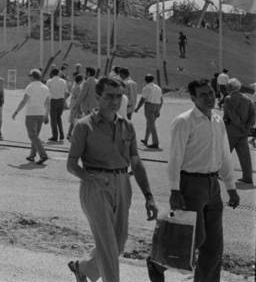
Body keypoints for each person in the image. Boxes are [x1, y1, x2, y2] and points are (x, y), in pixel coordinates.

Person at [147, 78, 240, 282]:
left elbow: (224, 155)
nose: (209, 98)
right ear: (193, 98)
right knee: (191, 239)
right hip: (190, 184)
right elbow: (175, 158)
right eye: (203, 95)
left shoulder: (217, 121)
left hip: (212, 185)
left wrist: (231, 187)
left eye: (211, 93)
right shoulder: (184, 121)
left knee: (214, 245)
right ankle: (157, 264)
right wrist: (174, 190)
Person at [67, 77, 158, 282]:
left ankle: (84, 267)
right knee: (108, 244)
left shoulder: (127, 126)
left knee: (118, 242)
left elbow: (136, 162)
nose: (114, 101)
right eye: (109, 96)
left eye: (118, 97)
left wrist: (149, 196)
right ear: (98, 97)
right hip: (95, 187)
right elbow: (71, 164)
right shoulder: (84, 126)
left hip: (123, 183)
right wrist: (89, 178)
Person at [12, 69, 50, 164]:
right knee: (35, 136)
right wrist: (46, 115)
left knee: (32, 135)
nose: (29, 77)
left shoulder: (30, 87)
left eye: (30, 76)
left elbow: (24, 101)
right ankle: (32, 156)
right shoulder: (45, 87)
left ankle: (43, 155)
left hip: (31, 113)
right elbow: (47, 103)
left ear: (33, 76)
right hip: (40, 114)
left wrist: (16, 111)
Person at [222, 78, 255, 185]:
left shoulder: (228, 98)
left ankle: (217, 174)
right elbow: (254, 115)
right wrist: (247, 127)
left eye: (227, 86)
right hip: (244, 132)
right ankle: (247, 177)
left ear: (230, 88)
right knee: (245, 156)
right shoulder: (248, 99)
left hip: (231, 131)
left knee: (224, 154)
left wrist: (240, 125)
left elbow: (231, 114)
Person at [134, 74, 163, 149]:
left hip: (149, 106)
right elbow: (161, 100)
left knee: (151, 124)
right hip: (157, 105)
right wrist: (159, 110)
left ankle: (155, 143)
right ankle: (146, 139)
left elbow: (143, 99)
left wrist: (137, 108)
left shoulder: (146, 88)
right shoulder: (158, 87)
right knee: (150, 123)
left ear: (145, 80)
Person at [46, 68, 69, 142]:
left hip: (53, 101)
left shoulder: (49, 81)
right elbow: (67, 92)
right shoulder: (63, 81)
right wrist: (64, 100)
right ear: (58, 73)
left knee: (53, 120)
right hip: (61, 100)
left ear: (52, 73)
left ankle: (55, 136)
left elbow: (47, 92)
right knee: (59, 118)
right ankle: (61, 135)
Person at [66, 74, 85, 140]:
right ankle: (73, 134)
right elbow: (78, 98)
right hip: (76, 105)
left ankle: (69, 133)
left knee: (73, 120)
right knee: (76, 120)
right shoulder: (78, 88)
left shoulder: (75, 86)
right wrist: (80, 108)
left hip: (73, 104)